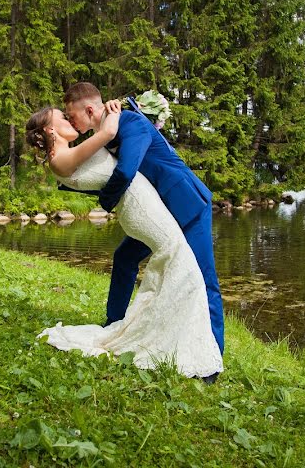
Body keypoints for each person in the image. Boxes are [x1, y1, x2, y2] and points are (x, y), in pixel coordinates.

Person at [25, 106, 223, 379]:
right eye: (64, 117)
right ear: (49, 130)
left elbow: (121, 146)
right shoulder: (61, 158)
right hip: (140, 207)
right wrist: (116, 111)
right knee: (184, 263)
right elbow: (108, 135)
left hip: (146, 204)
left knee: (132, 258)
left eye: (70, 115)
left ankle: (125, 324)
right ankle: (197, 352)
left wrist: (141, 118)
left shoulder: (69, 152)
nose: (70, 120)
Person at [62, 83, 225, 359]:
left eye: (70, 114)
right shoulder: (108, 132)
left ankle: (212, 354)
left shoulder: (131, 123)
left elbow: (126, 171)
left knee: (204, 277)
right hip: (161, 214)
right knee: (125, 257)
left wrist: (105, 203)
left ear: (89, 109)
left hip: (188, 206)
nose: (69, 120)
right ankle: (114, 326)